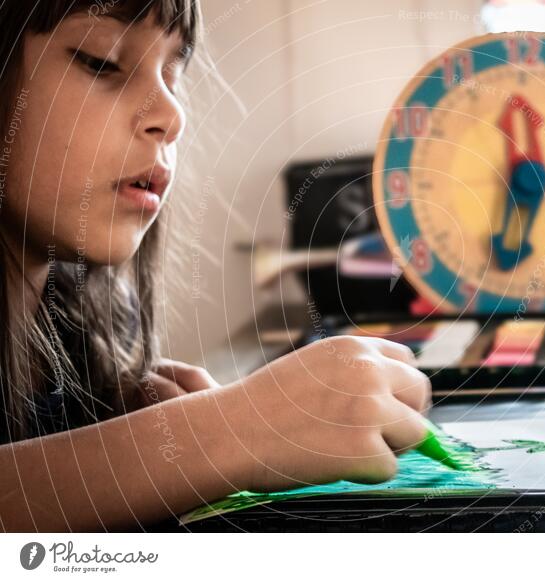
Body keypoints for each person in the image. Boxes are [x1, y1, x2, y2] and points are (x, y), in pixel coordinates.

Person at [0, 0, 430, 532]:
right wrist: (221, 432)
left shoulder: (93, 328)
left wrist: (134, 430)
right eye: (102, 60)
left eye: (172, 76)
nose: (172, 115)